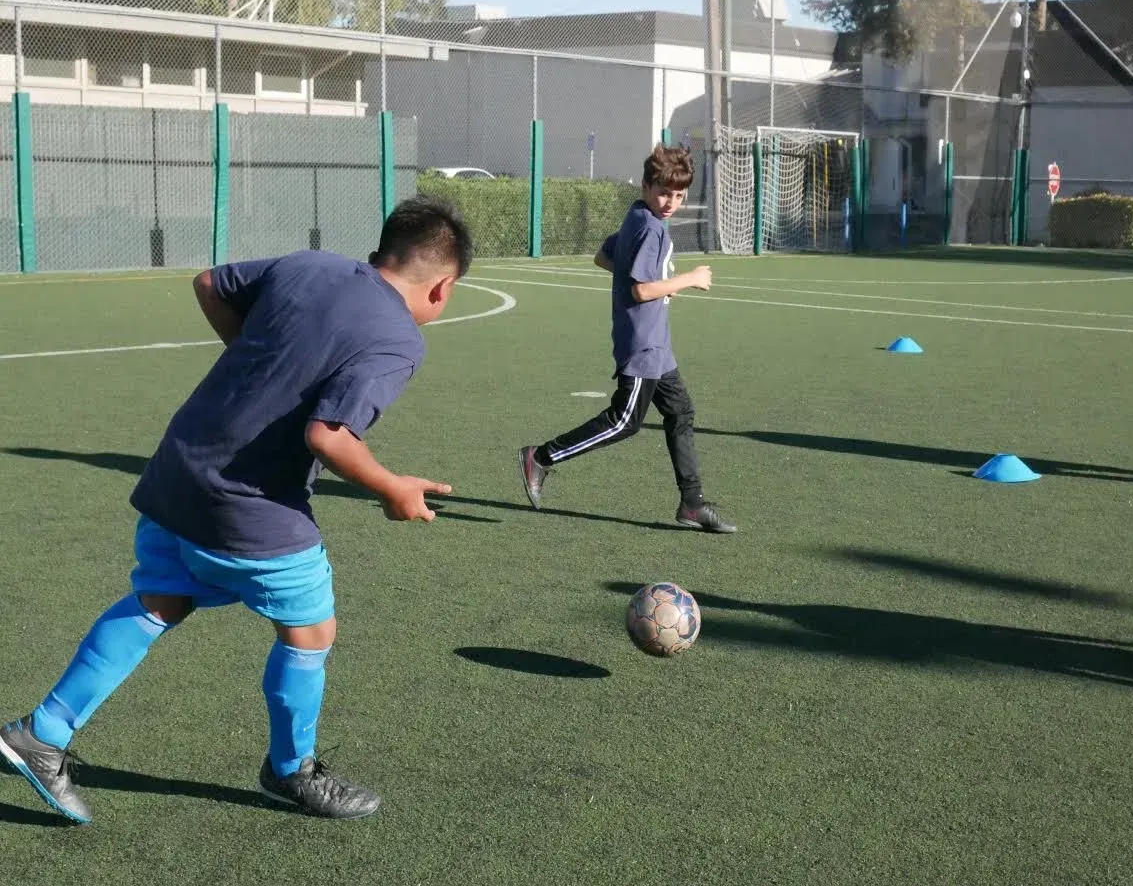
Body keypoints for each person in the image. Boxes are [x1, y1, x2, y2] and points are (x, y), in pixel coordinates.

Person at [0, 195, 472, 823]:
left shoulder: (311, 265)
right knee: (311, 630)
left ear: (377, 254)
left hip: (179, 467)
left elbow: (208, 282)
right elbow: (329, 436)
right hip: (245, 500)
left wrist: (250, 357)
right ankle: (290, 771)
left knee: (160, 598)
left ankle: (43, 731)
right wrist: (393, 489)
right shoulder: (397, 340)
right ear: (441, 287)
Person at [518, 144, 735, 533]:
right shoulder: (650, 227)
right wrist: (687, 280)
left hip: (658, 345)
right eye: (664, 192)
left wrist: (648, 282)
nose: (671, 202)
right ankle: (541, 457)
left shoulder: (637, 215)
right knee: (624, 422)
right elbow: (641, 291)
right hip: (643, 344)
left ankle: (692, 503)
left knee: (680, 413)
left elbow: (603, 257)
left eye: (680, 195)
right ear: (646, 185)